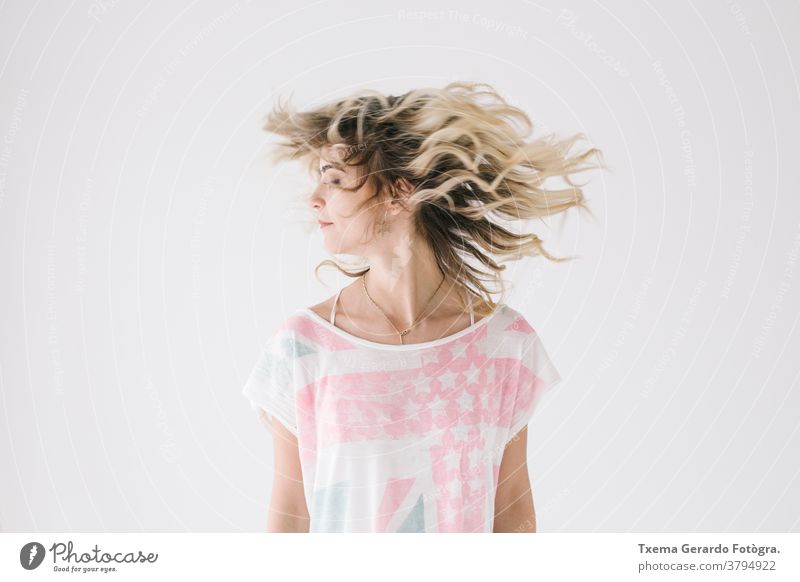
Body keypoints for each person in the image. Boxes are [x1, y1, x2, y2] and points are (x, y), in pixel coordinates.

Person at [242, 81, 605, 532]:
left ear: (400, 194)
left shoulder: (505, 346)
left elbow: (512, 511)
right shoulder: (302, 348)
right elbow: (290, 516)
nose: (314, 197)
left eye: (335, 180)